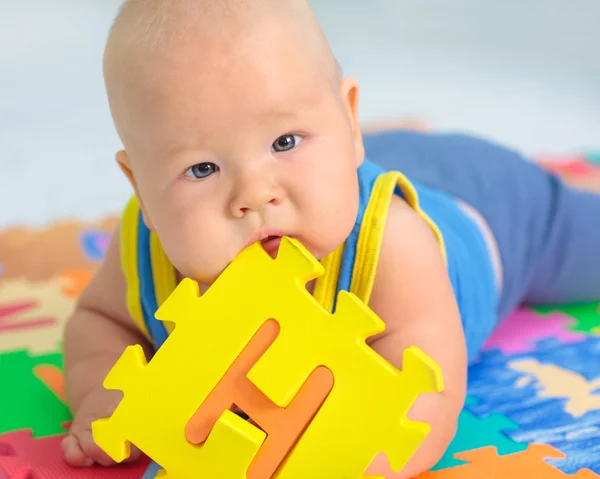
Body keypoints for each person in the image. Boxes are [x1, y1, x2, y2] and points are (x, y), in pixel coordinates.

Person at [60, 0, 600, 477]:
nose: (255, 193)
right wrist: (108, 392)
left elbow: (425, 394)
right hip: (353, 163)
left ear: (349, 122)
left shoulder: (393, 245)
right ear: (143, 190)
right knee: (302, 150)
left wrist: (343, 460)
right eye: (202, 169)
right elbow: (99, 321)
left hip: (501, 211)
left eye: (285, 140)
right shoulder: (143, 248)